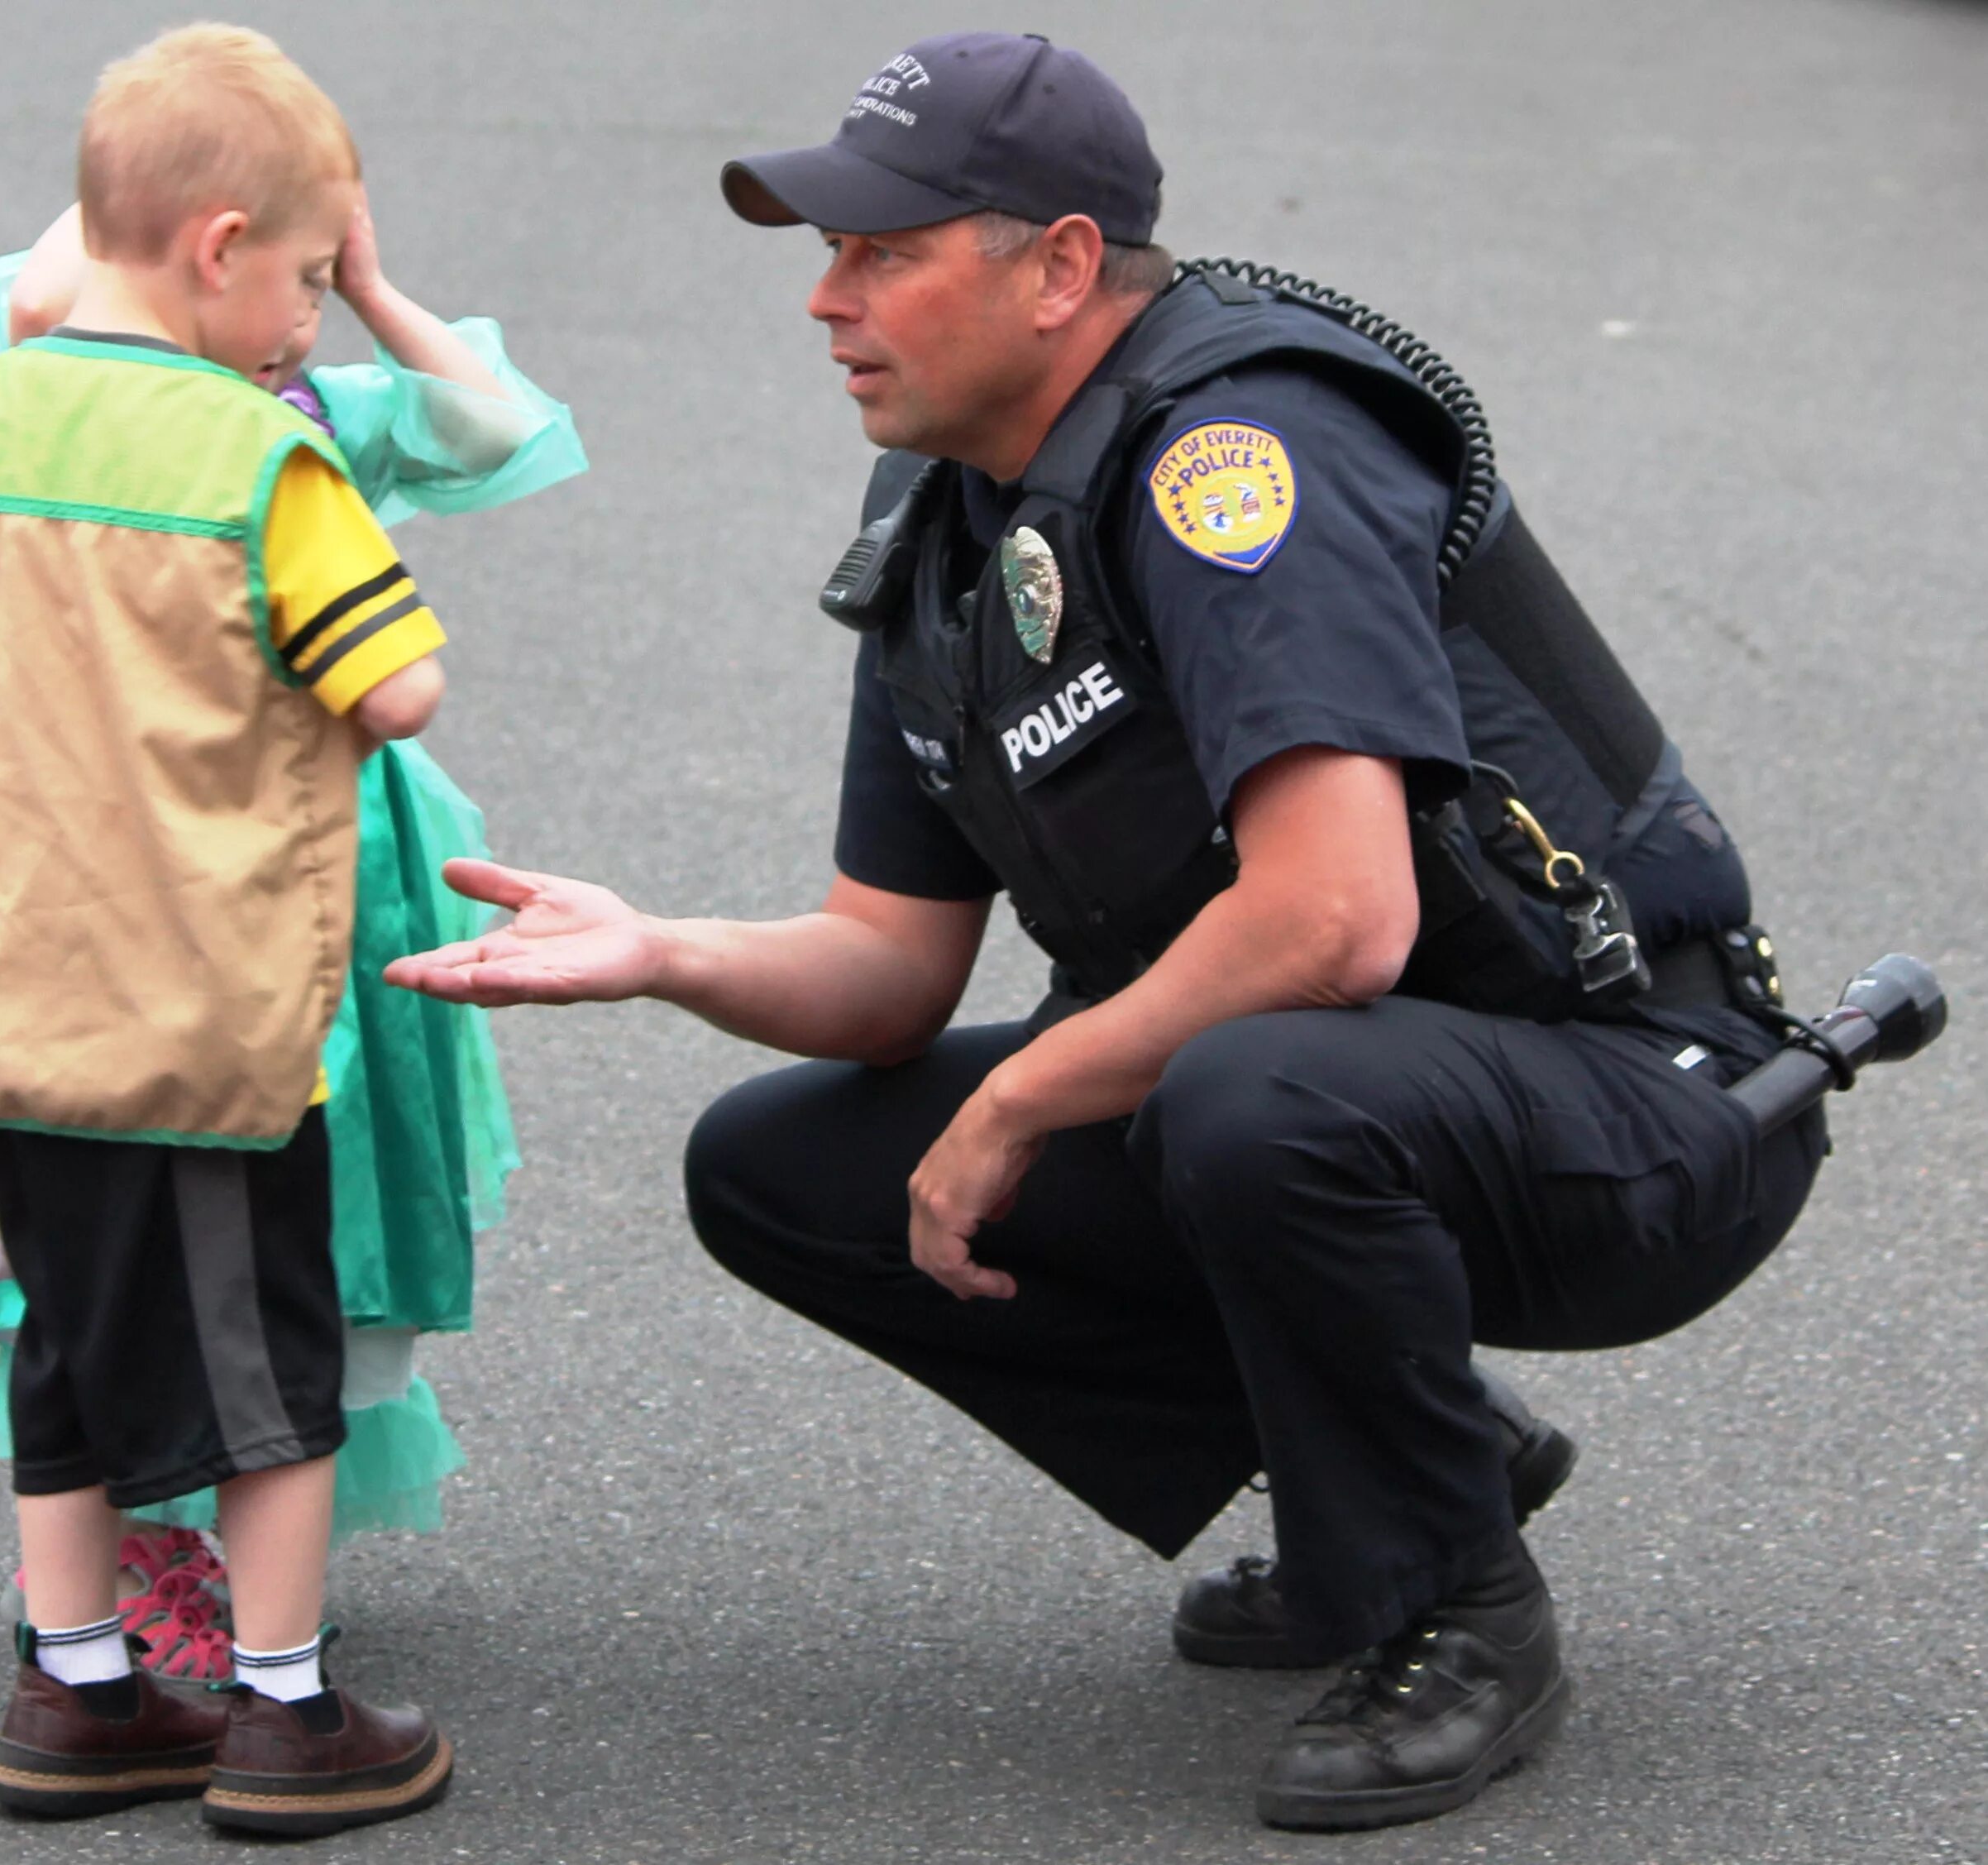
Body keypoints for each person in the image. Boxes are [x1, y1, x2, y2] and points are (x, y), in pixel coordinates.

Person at [386, 31, 1827, 1832]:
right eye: (826, 254)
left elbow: (1335, 920)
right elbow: (888, 968)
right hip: (1350, 1098)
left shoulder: (1232, 456)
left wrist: (1017, 1102)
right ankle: (1398, 1463)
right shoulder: (942, 518)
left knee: (1244, 1088)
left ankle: (1454, 1607)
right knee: (778, 1168)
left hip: (1636, 1110)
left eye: (881, 253)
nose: (825, 300)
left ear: (1060, 266)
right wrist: (661, 950)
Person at [0, 25, 452, 1834]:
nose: (306, 322)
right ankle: (282, 1709)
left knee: (64, 1330)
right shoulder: (252, 455)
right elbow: (399, 685)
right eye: (303, 276)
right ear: (218, 246)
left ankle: (80, 1684)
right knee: (265, 1362)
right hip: (191, 999)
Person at [0, 190, 582, 1676]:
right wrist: (164, 200)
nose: (304, 315)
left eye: (317, 285)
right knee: (125, 1205)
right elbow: (23, 302)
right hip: (146, 854)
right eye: (286, 276)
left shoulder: (310, 414)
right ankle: (138, 1570)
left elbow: (495, 429)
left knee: (297, 1222)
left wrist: (373, 288)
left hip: (329, 861)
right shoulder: (56, 392)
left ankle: (234, 1554)